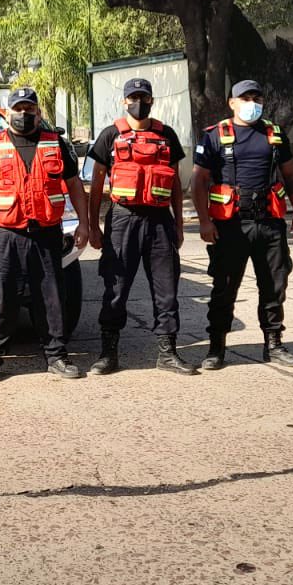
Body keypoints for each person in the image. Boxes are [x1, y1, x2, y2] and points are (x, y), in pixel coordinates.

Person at [0, 88, 92, 381]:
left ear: (38, 112)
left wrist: (84, 224)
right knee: (1, 297)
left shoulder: (55, 143)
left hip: (46, 233)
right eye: (18, 109)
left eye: (29, 109)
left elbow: (74, 185)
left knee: (51, 297)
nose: (24, 114)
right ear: (8, 112)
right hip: (5, 234)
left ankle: (56, 356)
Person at [192, 81, 293, 368]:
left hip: (269, 224)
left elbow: (291, 176)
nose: (252, 103)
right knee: (224, 288)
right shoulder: (214, 135)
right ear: (232, 103)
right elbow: (199, 180)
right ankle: (216, 347)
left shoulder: (274, 134)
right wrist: (204, 221)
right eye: (245, 98)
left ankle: (274, 344)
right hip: (230, 225)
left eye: (257, 98)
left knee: (274, 286)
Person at [85, 78, 198, 376]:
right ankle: (108, 354)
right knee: (116, 288)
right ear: (124, 101)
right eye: (133, 97)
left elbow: (175, 183)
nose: (139, 102)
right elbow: (96, 184)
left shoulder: (166, 135)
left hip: (160, 221)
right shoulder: (110, 135)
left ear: (151, 100)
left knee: (166, 289)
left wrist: (179, 225)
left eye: (144, 97)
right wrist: (94, 226)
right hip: (123, 219)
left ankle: (168, 353)